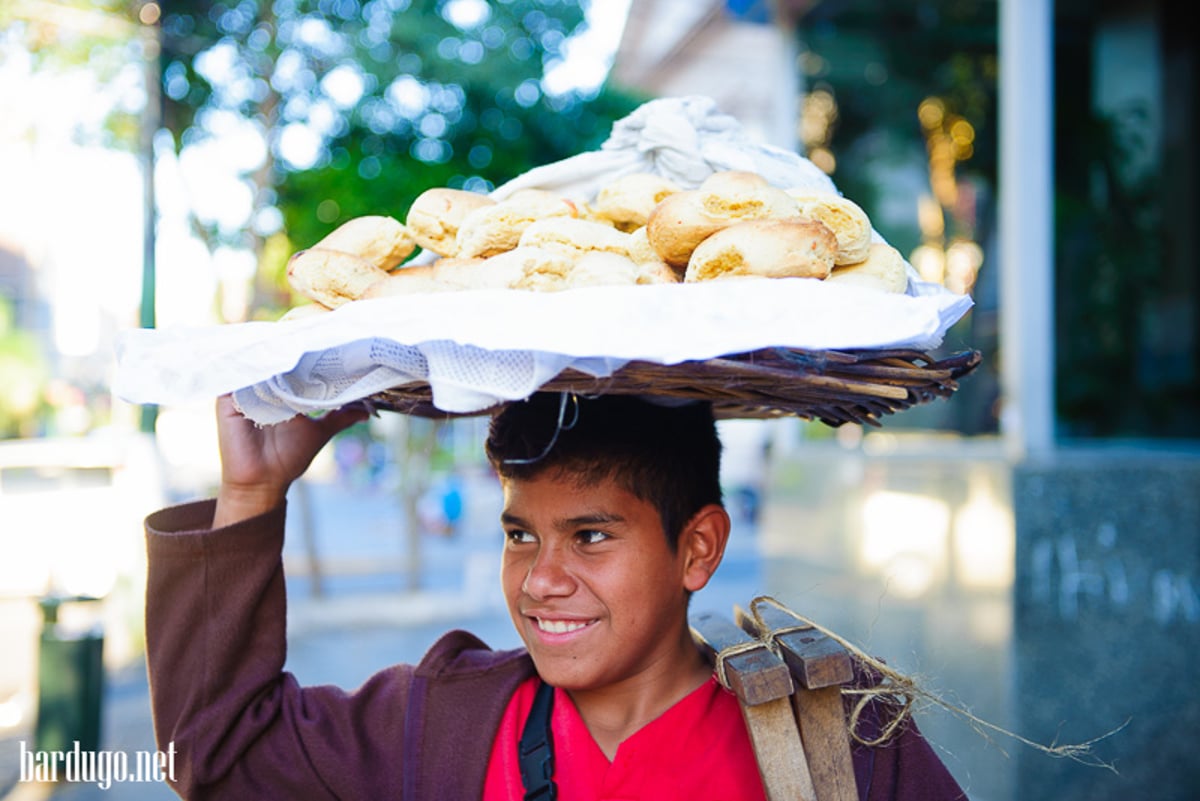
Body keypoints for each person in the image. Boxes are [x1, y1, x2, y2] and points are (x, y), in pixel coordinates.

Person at [142, 391, 967, 800]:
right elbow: (217, 754)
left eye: (593, 536)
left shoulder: (833, 728)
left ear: (697, 546)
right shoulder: (441, 723)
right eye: (519, 534)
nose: (540, 579)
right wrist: (252, 492)